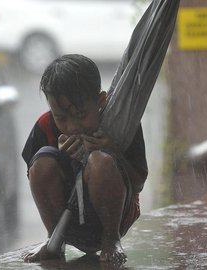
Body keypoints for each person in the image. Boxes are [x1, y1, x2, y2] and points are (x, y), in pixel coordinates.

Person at [21, 54, 148, 265]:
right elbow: (36, 178)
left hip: (116, 218)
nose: (72, 126)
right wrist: (62, 157)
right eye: (61, 118)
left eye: (81, 115)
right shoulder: (44, 125)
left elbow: (139, 183)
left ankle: (111, 240)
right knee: (42, 162)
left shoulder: (120, 124)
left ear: (101, 101)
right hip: (66, 223)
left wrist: (112, 151)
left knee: (101, 161)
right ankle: (54, 240)